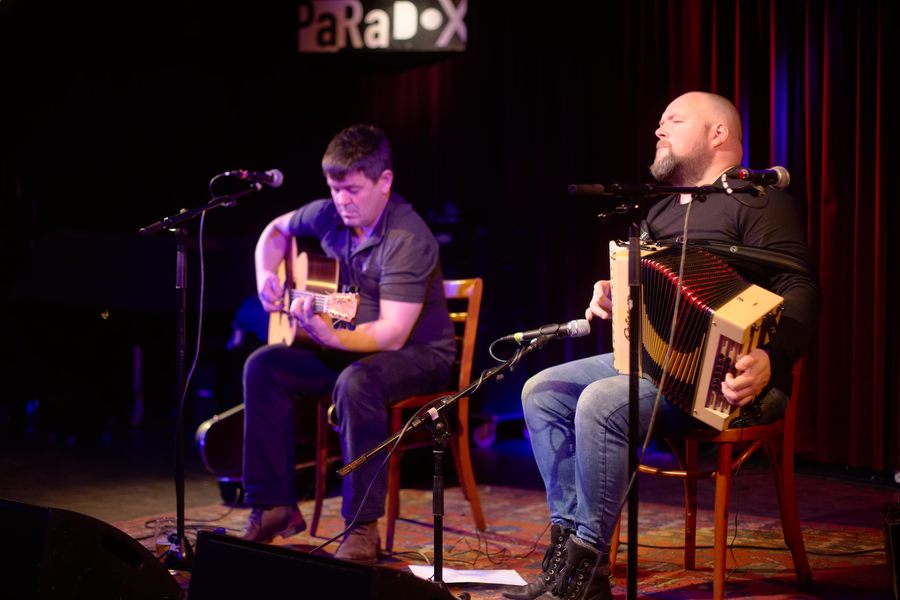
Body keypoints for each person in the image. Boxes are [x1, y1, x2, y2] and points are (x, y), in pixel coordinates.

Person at [504, 92, 821, 600]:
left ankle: (588, 570)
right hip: (655, 365)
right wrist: (609, 288)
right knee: (543, 389)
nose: (658, 130)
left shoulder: (762, 204)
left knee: (601, 401)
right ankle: (566, 550)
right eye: (658, 123)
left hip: (729, 381)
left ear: (718, 134)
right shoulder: (662, 210)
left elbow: (802, 291)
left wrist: (769, 357)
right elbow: (648, 280)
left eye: (673, 120)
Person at [240, 125, 456, 565]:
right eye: (335, 189)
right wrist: (266, 276)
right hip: (352, 346)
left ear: (385, 181)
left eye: (353, 190)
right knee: (264, 366)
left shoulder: (407, 239)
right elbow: (275, 232)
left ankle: (362, 527)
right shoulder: (329, 215)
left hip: (418, 354)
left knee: (357, 384)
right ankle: (274, 505)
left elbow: (393, 334)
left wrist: (329, 335)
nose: (343, 200)